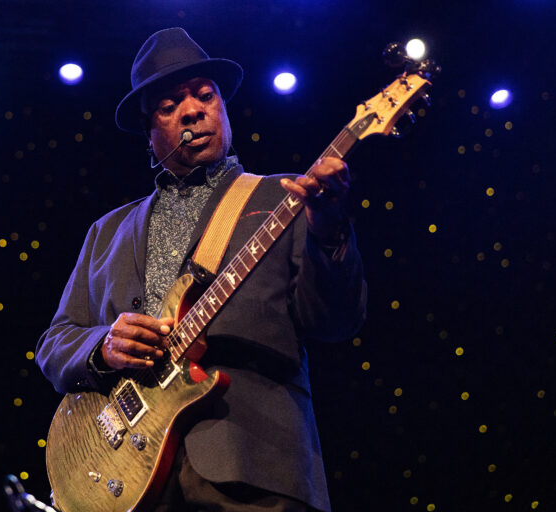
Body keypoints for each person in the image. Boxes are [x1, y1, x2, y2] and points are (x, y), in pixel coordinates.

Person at [36, 27, 367, 512]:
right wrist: (104, 345)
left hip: (254, 464)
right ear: (149, 133)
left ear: (223, 108)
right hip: (130, 477)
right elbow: (54, 342)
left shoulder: (286, 198)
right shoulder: (106, 231)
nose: (192, 110)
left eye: (205, 95)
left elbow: (336, 323)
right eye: (169, 105)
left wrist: (328, 228)